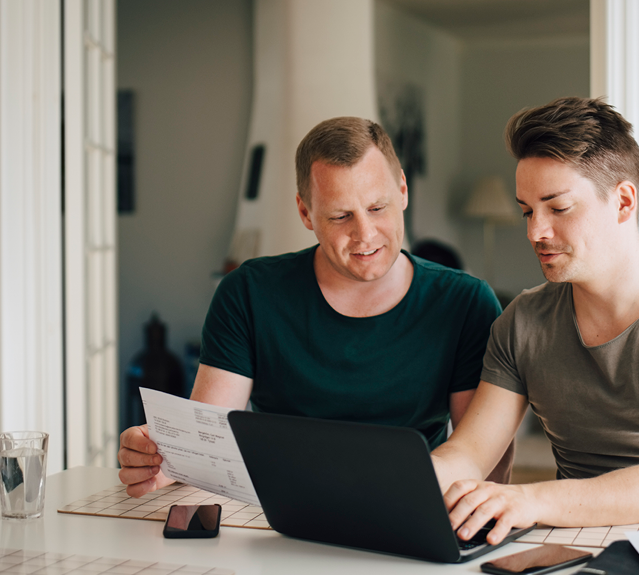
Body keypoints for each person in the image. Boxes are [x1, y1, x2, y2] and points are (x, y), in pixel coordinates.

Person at [118, 117, 511, 497]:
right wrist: (160, 459)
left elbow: (482, 466)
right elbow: (206, 444)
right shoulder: (249, 293)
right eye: (341, 216)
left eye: (378, 208)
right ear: (306, 212)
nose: (365, 235)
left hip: (411, 502)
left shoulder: (465, 303)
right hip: (279, 512)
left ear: (403, 190)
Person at [431, 97, 639, 546]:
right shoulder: (522, 321)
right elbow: (469, 452)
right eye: (527, 210)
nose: (535, 232)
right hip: (574, 543)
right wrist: (403, 484)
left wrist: (529, 500)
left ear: (623, 201)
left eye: (558, 208)